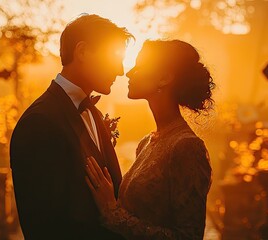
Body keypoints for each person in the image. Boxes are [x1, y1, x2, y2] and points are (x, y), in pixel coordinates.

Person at [10, 14, 134, 239]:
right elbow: (43, 224)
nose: (120, 70)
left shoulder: (92, 113)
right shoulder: (39, 123)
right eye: (114, 57)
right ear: (83, 52)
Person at [85, 39, 214, 239]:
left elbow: (189, 236)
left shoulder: (187, 147)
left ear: (164, 78)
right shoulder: (147, 142)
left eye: (140, 66)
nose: (129, 72)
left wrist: (112, 212)